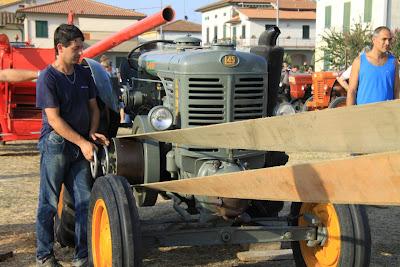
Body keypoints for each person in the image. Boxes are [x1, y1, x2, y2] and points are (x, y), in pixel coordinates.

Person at [35, 24, 109, 267]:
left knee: (85, 201)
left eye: (81, 48)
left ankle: (82, 256)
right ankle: (44, 256)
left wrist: (91, 132)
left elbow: (94, 108)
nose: (80, 53)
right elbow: (54, 120)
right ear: (60, 47)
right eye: (76, 48)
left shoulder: (83, 73)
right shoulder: (48, 77)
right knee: (49, 202)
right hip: (56, 145)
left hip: (80, 144)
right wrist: (82, 142)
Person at [347, 26, 399, 106]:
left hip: (387, 114)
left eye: (389, 39)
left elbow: (396, 90)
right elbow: (352, 91)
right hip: (364, 113)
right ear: (374, 40)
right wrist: (349, 114)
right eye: (384, 39)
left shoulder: (393, 62)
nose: (387, 43)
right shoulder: (359, 61)